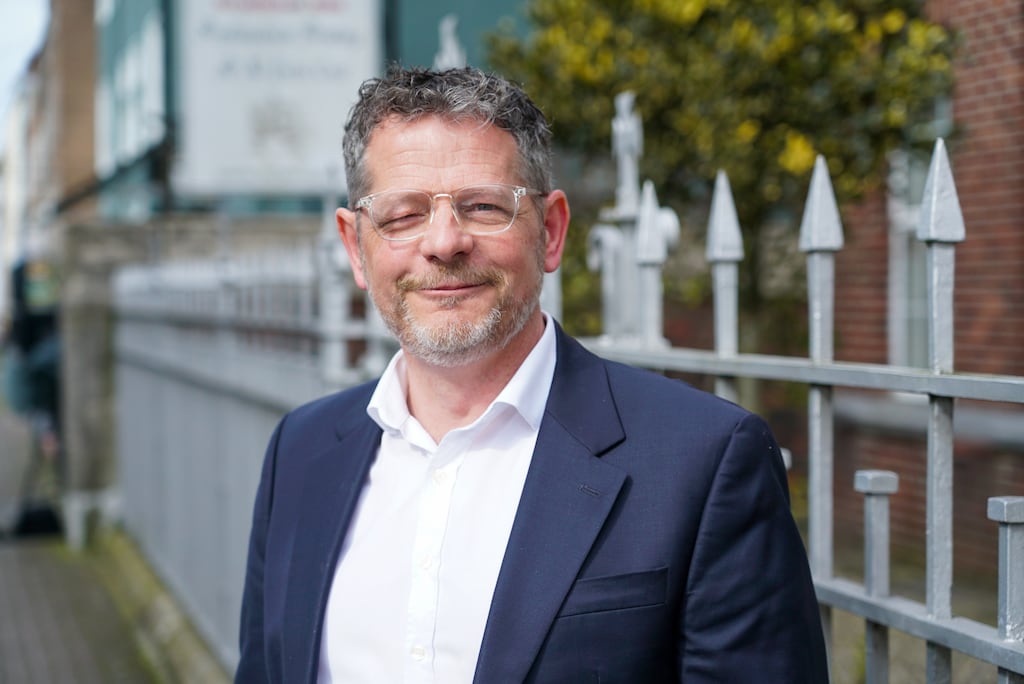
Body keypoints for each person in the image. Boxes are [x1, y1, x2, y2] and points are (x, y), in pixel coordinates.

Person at [236, 66, 828, 683]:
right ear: (357, 247)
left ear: (549, 231)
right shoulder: (299, 453)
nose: (444, 242)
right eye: (404, 214)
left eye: (483, 206)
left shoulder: (703, 462)